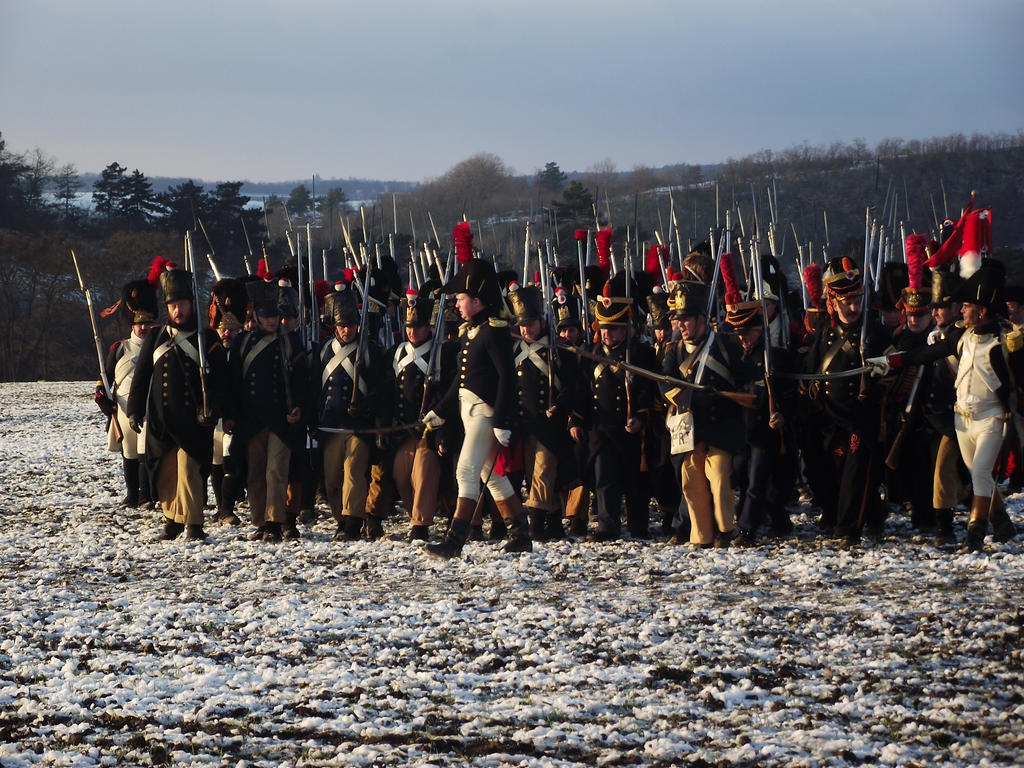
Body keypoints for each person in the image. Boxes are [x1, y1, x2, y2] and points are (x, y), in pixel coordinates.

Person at [874, 262, 1021, 552]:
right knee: (980, 475)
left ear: (981, 310)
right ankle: (1002, 524)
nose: (961, 310)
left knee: (979, 474)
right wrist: (892, 361)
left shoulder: (1005, 346)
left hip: (991, 419)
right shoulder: (961, 337)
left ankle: (974, 536)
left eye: (966, 306)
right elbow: (929, 353)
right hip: (961, 420)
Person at [423, 251, 532, 559]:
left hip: (485, 413)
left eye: (461, 298)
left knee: (465, 470)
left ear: (478, 300)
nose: (456, 303)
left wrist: (501, 420)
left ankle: (455, 540)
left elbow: (507, 380)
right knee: (490, 476)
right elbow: (461, 381)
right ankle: (520, 533)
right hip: (468, 411)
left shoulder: (494, 332)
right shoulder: (473, 333)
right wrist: (439, 412)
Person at [127, 258, 228, 541]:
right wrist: (135, 410)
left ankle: (194, 524)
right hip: (161, 417)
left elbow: (222, 380)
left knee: (190, 469)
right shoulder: (157, 336)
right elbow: (142, 376)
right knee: (167, 471)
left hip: (194, 419)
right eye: (173, 306)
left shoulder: (206, 338)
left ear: (190, 304)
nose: (178, 310)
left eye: (182, 304)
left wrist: (216, 409)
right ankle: (172, 520)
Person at [802, 253, 891, 547]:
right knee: (823, 474)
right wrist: (810, 388)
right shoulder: (825, 333)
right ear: (833, 303)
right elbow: (812, 372)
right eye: (846, 302)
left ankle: (848, 529)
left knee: (855, 474)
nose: (853, 308)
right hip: (828, 417)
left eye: (857, 301)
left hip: (861, 416)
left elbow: (891, 373)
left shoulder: (875, 333)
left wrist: (876, 376)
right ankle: (868, 513)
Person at [661, 271, 751, 548]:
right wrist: (683, 395)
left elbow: (748, 378)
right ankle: (700, 536)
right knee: (691, 484)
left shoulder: (726, 346)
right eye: (678, 319)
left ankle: (725, 530)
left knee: (720, 479)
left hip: (721, 426)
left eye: (686, 318)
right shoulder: (674, 351)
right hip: (690, 428)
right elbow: (664, 384)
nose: (681, 324)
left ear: (701, 319)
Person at [570, 282, 659, 541]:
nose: (608, 333)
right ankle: (607, 526)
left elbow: (647, 389)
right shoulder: (591, 355)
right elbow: (581, 392)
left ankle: (639, 525)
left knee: (635, 482)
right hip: (601, 428)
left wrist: (641, 416)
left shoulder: (640, 354)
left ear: (626, 329)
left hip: (630, 430)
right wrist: (576, 419)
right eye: (604, 328)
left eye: (614, 328)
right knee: (604, 479)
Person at [224, 279, 308, 542]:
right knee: (256, 472)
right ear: (257, 316)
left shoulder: (291, 344)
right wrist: (230, 415)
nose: (272, 321)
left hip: (281, 419)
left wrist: (298, 408)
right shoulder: (243, 344)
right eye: (267, 316)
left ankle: (274, 521)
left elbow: (302, 382)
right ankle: (260, 520)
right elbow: (234, 383)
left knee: (277, 470)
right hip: (251, 419)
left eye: (275, 316)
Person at [314, 281, 386, 541]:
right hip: (330, 423)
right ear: (335, 326)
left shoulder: (371, 351)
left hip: (358, 424)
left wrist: (365, 406)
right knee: (332, 478)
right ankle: (341, 518)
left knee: (354, 471)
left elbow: (381, 388)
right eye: (342, 326)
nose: (346, 331)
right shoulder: (323, 351)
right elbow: (316, 388)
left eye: (351, 325)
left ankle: (352, 523)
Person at [507, 282, 576, 541]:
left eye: (532, 324)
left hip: (550, 424)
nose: (527, 329)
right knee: (530, 471)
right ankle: (554, 520)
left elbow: (571, 385)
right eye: (523, 325)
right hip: (525, 422)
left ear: (541, 322)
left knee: (543, 471)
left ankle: (535, 524)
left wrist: (559, 405)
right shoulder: (514, 349)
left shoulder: (556, 350)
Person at [384, 288, 454, 541]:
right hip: (404, 429)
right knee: (401, 474)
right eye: (409, 326)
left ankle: (420, 524)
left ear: (428, 328)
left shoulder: (442, 354)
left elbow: (447, 396)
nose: (412, 332)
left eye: (418, 326)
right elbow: (390, 391)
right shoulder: (397, 352)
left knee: (424, 470)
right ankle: (419, 511)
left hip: (430, 430)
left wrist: (442, 431)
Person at [95, 276, 160, 509]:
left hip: (150, 407)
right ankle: (132, 495)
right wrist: (101, 397)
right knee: (129, 453)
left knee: (145, 453)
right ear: (132, 324)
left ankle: (146, 496)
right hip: (123, 408)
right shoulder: (119, 349)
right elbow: (105, 379)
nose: (143, 328)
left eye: (147, 323)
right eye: (139, 323)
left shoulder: (160, 346)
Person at [207, 277, 250, 525]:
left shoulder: (245, 349)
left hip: (237, 414)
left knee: (230, 460)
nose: (227, 333)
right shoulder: (211, 350)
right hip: (215, 413)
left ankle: (227, 508)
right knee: (215, 460)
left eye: (232, 329)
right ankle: (220, 507)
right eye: (224, 328)